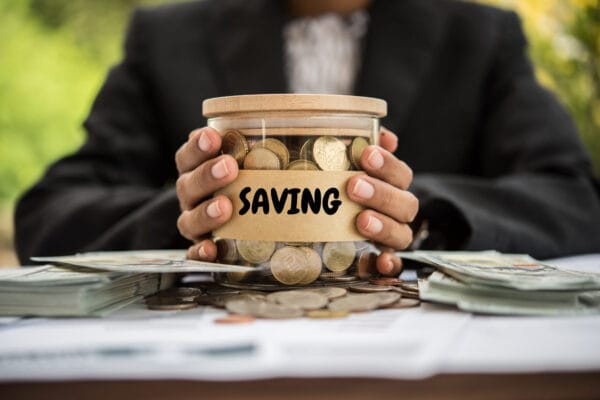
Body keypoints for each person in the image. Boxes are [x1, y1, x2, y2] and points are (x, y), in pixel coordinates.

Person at [14, 0, 600, 274]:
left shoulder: (481, 35)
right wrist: (207, 212)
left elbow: (576, 199)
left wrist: (419, 216)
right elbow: (48, 213)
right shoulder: (165, 36)